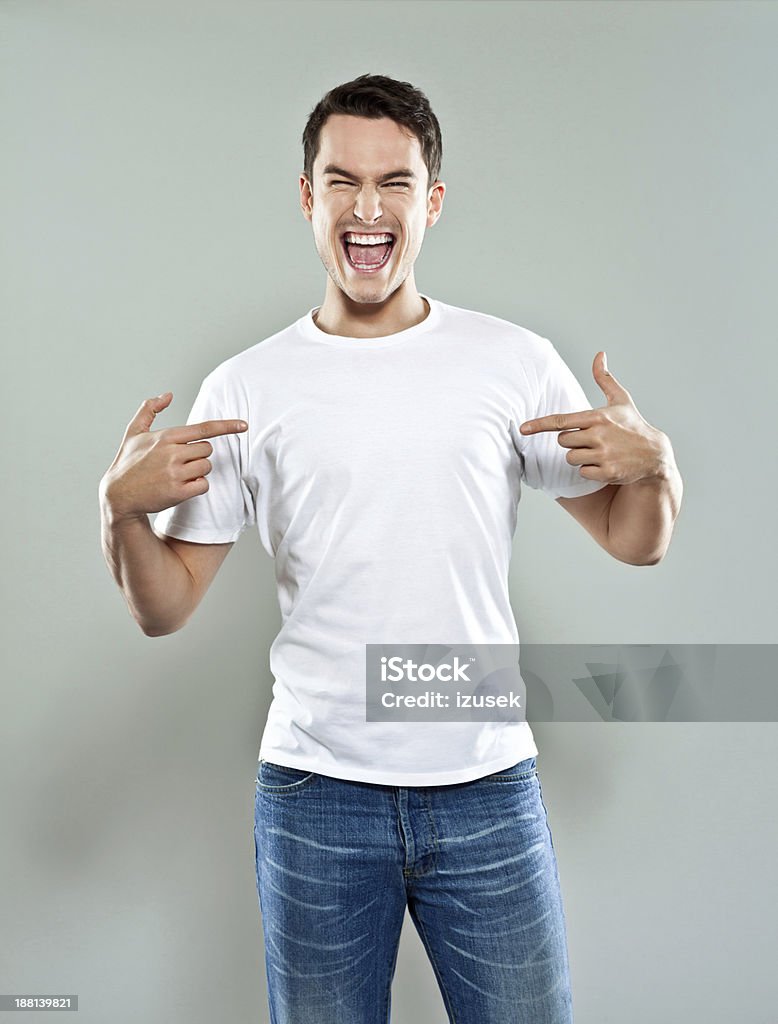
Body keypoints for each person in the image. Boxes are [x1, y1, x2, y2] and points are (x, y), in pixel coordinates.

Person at [99, 73, 682, 1024]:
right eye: (342, 182)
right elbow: (164, 608)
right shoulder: (248, 385)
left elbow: (634, 539)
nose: (368, 210)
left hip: (487, 786)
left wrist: (657, 467)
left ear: (432, 201)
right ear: (307, 197)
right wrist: (117, 511)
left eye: (395, 184)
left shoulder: (512, 362)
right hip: (315, 794)